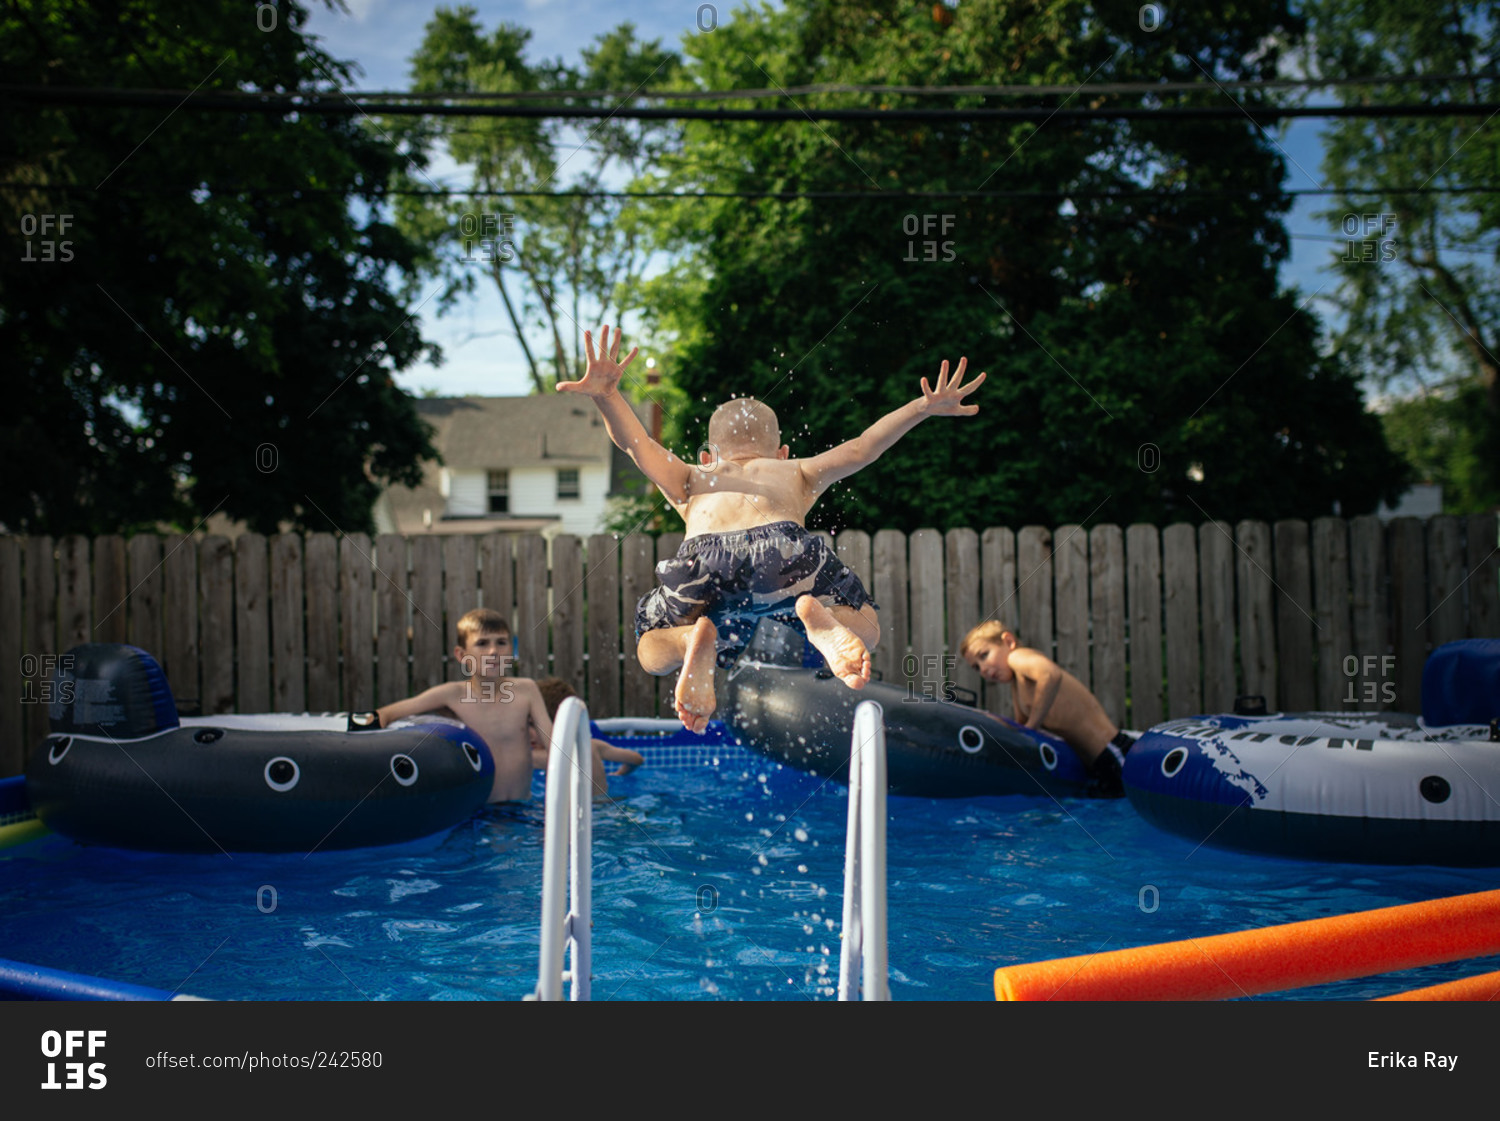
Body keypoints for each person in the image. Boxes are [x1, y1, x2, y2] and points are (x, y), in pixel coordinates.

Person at [558, 324, 986, 733]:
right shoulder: (794, 472)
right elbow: (862, 448)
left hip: (703, 562)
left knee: (651, 645)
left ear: (708, 457)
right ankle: (822, 620)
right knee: (866, 625)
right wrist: (921, 408)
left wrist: (608, 396)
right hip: (785, 556)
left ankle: (689, 640)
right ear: (781, 452)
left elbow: (637, 444)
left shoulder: (692, 478)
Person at [375, 607, 549, 804]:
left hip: (523, 809)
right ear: (461, 654)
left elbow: (556, 746)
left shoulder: (526, 690)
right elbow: (386, 714)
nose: (493, 651)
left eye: (501, 643)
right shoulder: (452, 694)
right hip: (480, 814)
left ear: (510, 650)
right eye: (482, 644)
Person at [959, 620, 1135, 797]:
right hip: (1095, 765)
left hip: (1112, 751)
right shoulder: (1017, 684)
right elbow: (1020, 728)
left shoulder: (1018, 657)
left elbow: (1050, 674)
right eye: (976, 667)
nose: (983, 669)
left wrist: (1033, 724)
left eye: (984, 655)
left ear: (1009, 642)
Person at [529, 676, 644, 799]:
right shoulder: (594, 745)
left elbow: (513, 760)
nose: (527, 732)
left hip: (586, 815)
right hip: (606, 807)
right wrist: (620, 773)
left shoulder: (545, 757)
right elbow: (636, 759)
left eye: (533, 724)